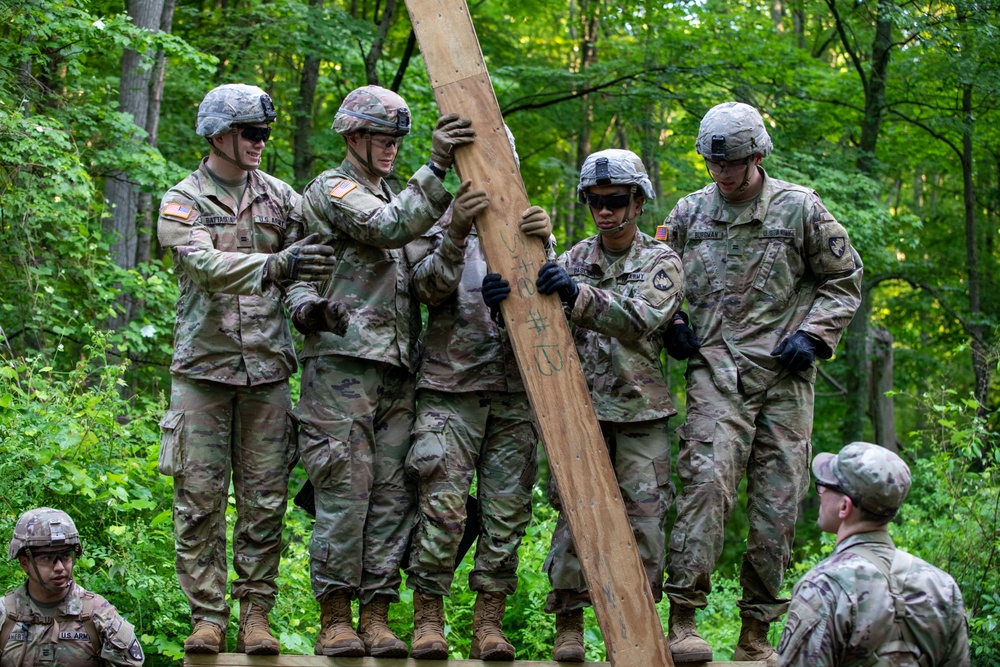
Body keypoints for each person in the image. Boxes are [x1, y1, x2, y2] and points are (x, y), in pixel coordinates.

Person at [657, 101, 863, 663]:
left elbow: (844, 279)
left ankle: (756, 632)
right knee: (705, 485)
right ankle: (684, 620)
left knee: (778, 502)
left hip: (784, 376)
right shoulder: (689, 213)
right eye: (713, 164)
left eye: (733, 163)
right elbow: (655, 281)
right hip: (716, 371)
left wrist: (816, 335)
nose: (722, 174)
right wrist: (671, 321)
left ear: (757, 155)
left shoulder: (800, 209)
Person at [285, 85, 480, 659]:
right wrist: (439, 162)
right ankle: (334, 618)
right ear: (353, 138)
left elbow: (426, 280)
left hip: (397, 369)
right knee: (345, 493)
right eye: (382, 138)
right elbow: (388, 227)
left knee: (393, 499)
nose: (393, 148)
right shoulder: (335, 187)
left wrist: (458, 235)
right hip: (342, 366)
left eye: (399, 139)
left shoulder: (402, 195)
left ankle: (376, 614)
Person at [156, 83, 343, 655]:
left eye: (265, 133)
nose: (262, 142)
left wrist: (307, 305)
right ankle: (207, 616)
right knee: (199, 500)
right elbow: (205, 265)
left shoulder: (283, 199)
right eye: (251, 133)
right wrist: (277, 263)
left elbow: (303, 269)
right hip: (203, 373)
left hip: (266, 373)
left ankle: (256, 614)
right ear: (219, 135)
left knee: (264, 501)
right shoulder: (182, 199)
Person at [485, 148, 683, 662]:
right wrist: (500, 306)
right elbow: (536, 335)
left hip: (640, 415)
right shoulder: (570, 259)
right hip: (580, 413)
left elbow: (642, 319)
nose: (605, 211)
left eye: (616, 200)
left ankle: (641, 633)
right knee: (575, 520)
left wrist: (577, 297)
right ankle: (569, 628)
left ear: (638, 201)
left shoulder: (661, 262)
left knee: (645, 523)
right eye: (594, 202)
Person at [405, 132, 553, 660]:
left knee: (507, 513)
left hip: (515, 391)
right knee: (443, 509)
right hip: (451, 387)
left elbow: (551, 313)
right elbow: (425, 288)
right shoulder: (435, 216)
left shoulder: (527, 219)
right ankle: (428, 619)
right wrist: (457, 231)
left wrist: (544, 250)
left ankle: (488, 622)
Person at [777, 442, 971, 666]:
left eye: (824, 486)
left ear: (844, 507)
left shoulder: (823, 588)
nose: (819, 494)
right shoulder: (943, 587)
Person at [1, 508, 144, 666]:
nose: (60, 567)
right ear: (24, 563)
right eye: (48, 558)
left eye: (66, 556)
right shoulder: (5, 615)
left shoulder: (98, 615)